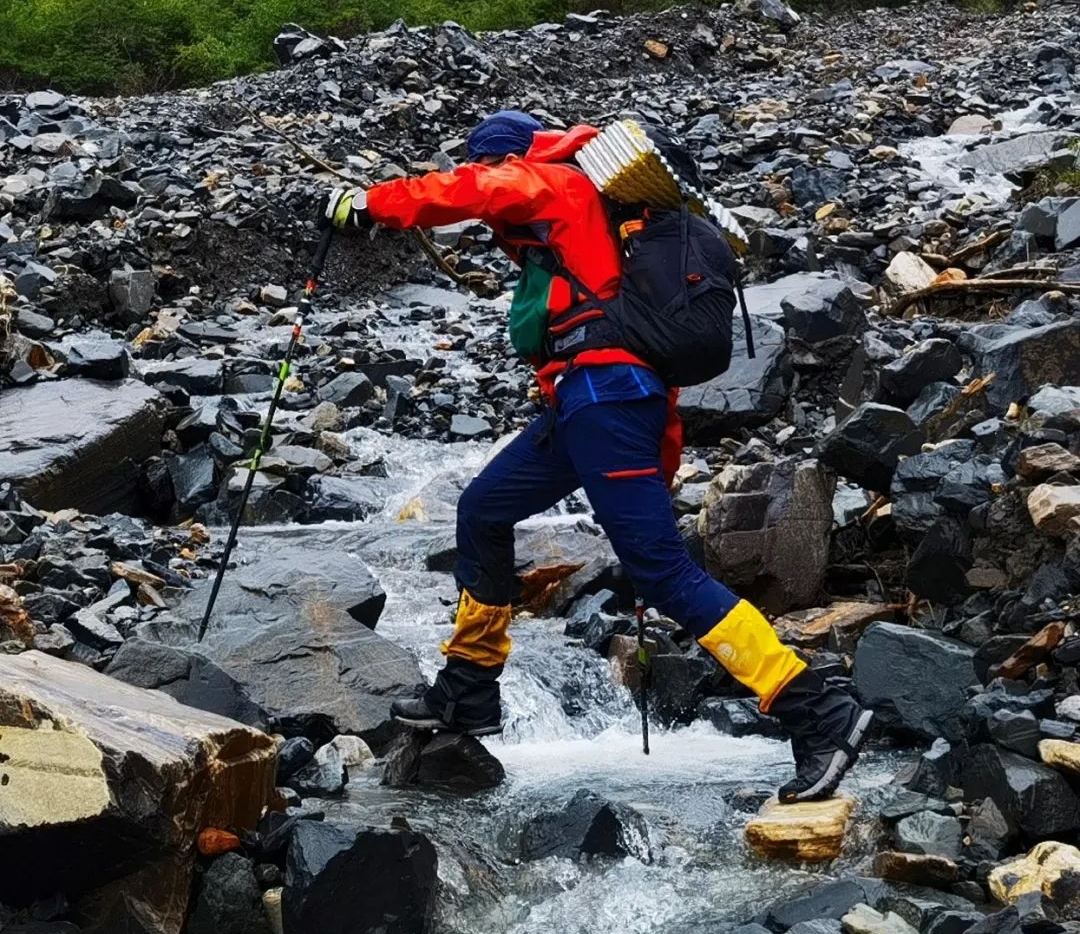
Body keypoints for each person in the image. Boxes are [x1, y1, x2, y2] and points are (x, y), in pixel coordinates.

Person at [323, 110, 872, 803]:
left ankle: (813, 705)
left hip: (605, 398)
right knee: (483, 508)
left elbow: (477, 190)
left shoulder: (554, 182)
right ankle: (468, 689)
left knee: (663, 572)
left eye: (489, 162)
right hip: (587, 402)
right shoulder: (582, 222)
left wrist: (371, 203)